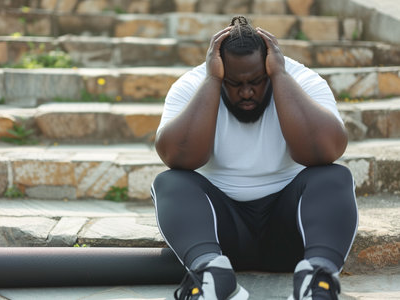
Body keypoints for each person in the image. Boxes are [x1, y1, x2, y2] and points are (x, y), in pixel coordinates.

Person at [151, 15, 358, 300]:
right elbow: (178, 156)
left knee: (333, 175)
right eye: (234, 83)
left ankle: (315, 282)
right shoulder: (192, 85)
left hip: (290, 232)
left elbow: (325, 151)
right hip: (221, 237)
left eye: (257, 81)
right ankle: (212, 276)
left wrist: (280, 77)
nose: (246, 92)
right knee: (171, 181)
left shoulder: (301, 79)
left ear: (269, 67)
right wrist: (213, 80)